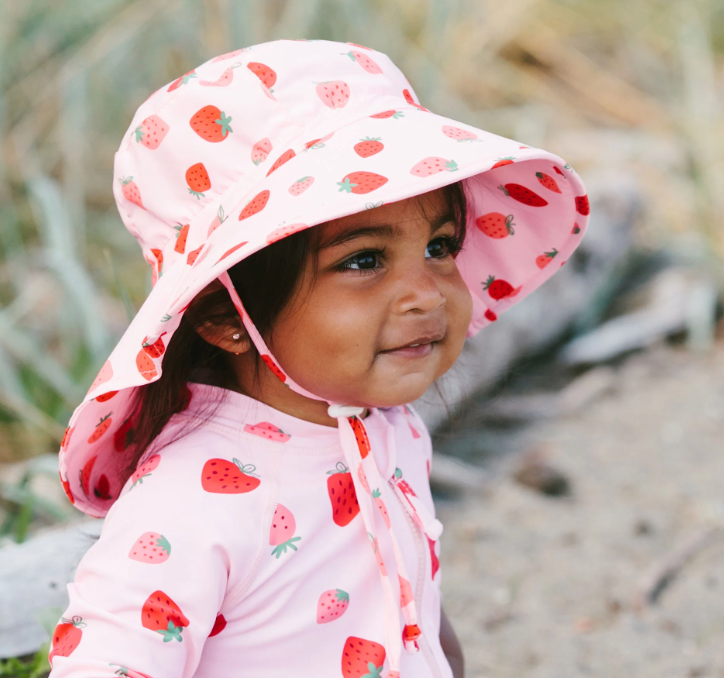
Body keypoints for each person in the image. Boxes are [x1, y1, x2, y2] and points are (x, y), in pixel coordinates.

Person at [49, 39, 590, 678]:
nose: (427, 293)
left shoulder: (383, 425)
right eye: (363, 260)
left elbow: (403, 585)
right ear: (225, 318)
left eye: (440, 246)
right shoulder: (192, 501)